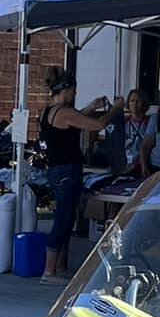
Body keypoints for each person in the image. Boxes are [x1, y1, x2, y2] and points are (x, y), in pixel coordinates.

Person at [36, 69, 119, 282]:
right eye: (73, 91)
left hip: (57, 170)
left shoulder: (49, 110)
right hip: (65, 170)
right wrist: (116, 110)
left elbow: (73, 123)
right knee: (63, 219)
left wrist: (90, 107)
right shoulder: (63, 111)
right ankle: (49, 271)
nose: (74, 95)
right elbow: (97, 125)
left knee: (68, 217)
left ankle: (59, 266)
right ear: (65, 90)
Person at [103, 89, 151, 176]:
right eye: (132, 100)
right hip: (124, 164)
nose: (135, 104)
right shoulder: (122, 122)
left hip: (143, 165)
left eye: (138, 101)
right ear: (128, 103)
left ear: (144, 102)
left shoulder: (150, 122)